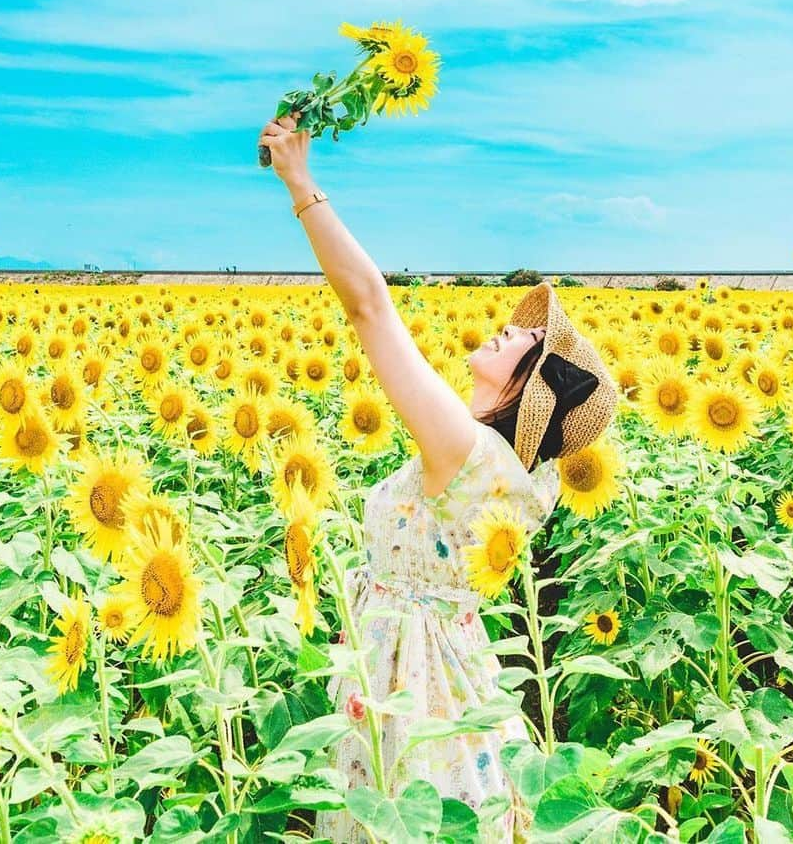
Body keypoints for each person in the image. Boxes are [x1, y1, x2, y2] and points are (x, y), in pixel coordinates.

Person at [257, 113, 619, 842]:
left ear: (530, 384)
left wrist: (302, 184)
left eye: (527, 338)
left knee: (401, 818)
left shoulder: (467, 454)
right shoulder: (511, 467)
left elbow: (368, 307)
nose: (509, 327)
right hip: (435, 668)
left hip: (411, 684)